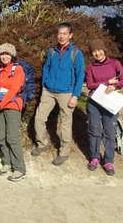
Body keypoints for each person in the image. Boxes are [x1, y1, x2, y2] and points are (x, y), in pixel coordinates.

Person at [32, 22, 85, 166]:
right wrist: (44, 85)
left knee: (65, 124)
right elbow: (46, 69)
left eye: (64, 33)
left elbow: (80, 76)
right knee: (39, 118)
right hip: (48, 91)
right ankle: (42, 143)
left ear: (70, 35)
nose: (61, 36)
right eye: (59, 33)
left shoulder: (76, 53)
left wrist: (75, 95)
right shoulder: (52, 52)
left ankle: (64, 152)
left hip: (66, 93)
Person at [86, 39, 123, 176]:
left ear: (104, 50)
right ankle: (95, 157)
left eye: (99, 50)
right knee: (94, 130)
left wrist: (114, 86)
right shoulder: (91, 67)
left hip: (110, 102)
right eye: (94, 51)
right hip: (94, 103)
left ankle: (108, 161)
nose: (97, 53)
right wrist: (106, 82)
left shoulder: (115, 63)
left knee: (109, 132)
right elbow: (90, 85)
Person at [0, 43, 27, 182]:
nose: (4, 56)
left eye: (7, 54)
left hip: (12, 106)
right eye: (2, 54)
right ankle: (7, 162)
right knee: (1, 137)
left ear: (12, 55)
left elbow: (14, 88)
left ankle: (19, 168)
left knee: (12, 138)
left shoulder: (18, 69)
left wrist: (2, 103)